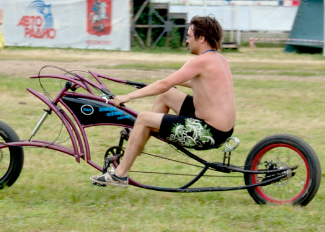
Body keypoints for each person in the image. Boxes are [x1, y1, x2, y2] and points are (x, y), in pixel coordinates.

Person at [91, 15, 236, 187]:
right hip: (222, 128)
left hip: (209, 133)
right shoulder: (220, 59)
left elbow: (164, 84)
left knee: (143, 118)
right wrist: (164, 83)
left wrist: (128, 96)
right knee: (166, 94)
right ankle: (139, 137)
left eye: (189, 36)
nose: (187, 41)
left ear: (202, 38)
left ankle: (120, 174)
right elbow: (193, 83)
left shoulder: (200, 62)